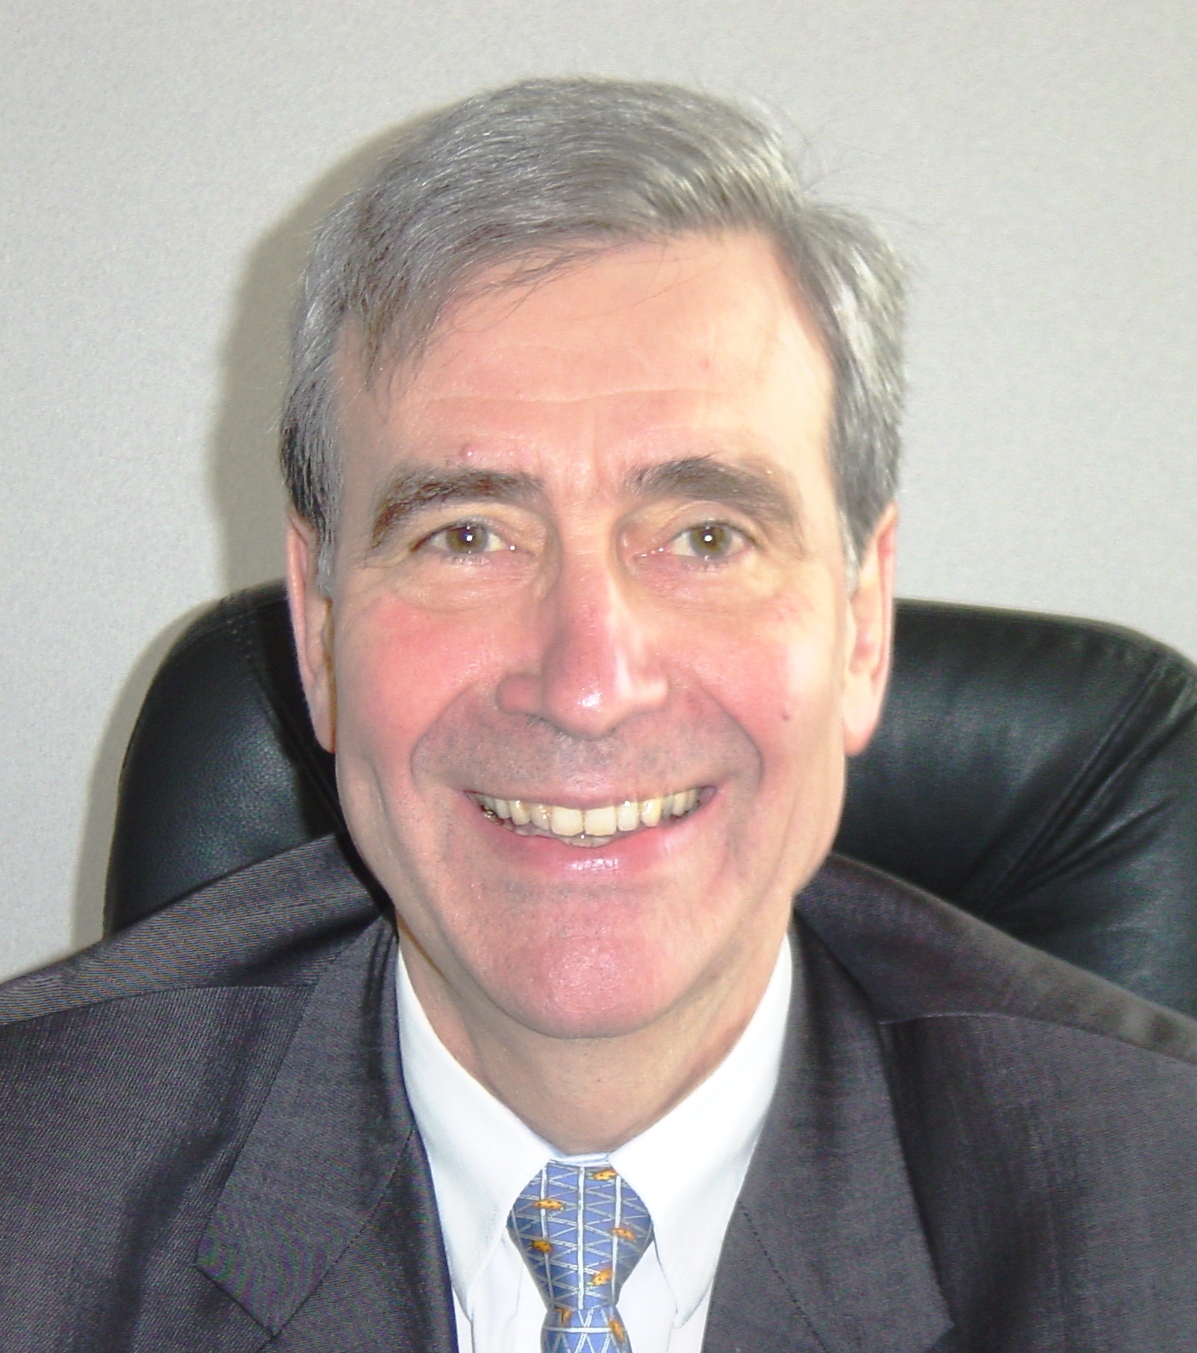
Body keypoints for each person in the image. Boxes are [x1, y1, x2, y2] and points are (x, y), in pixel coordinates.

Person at [1, 77, 1196, 1353]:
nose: (585, 684)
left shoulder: (1156, 1213)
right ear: (321, 627)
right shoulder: (34, 1194)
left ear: (861, 623)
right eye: (467, 536)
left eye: (705, 535)